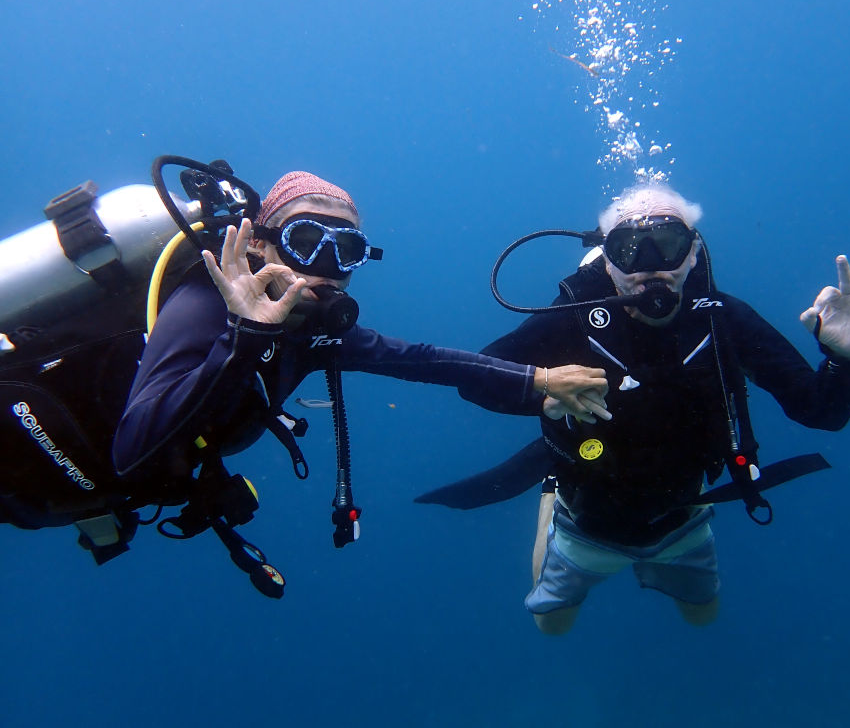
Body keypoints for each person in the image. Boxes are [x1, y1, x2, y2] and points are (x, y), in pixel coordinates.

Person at [111, 171, 609, 587]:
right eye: (304, 243)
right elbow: (131, 454)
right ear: (259, 245)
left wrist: (541, 378)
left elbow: (423, 360)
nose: (325, 268)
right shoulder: (204, 306)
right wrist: (243, 337)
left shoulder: (310, 327)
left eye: (344, 250)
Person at [460, 183, 850, 635]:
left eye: (668, 245)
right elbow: (475, 379)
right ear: (607, 261)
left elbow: (822, 412)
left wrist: (846, 359)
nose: (650, 268)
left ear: (692, 254)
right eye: (628, 249)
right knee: (552, 625)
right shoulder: (574, 317)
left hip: (683, 519)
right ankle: (550, 492)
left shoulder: (723, 319)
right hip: (583, 515)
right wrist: (542, 388)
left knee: (703, 617)